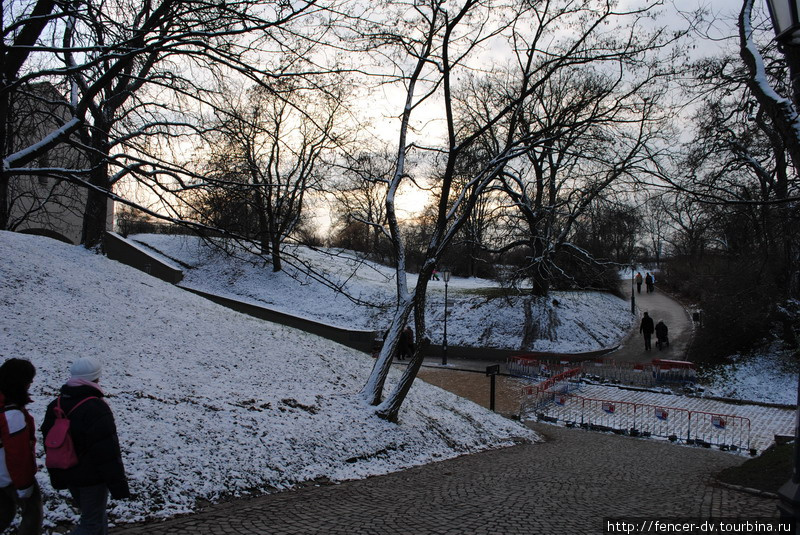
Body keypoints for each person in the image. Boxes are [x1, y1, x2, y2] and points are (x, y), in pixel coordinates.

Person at [41, 357, 130, 535]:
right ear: (97, 378)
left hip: (66, 469)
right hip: (91, 475)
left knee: (96, 518)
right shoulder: (95, 407)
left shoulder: (56, 404)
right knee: (91, 523)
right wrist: (118, 484)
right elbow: (107, 449)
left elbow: (49, 441)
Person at [0, 358, 42, 535]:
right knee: (33, 516)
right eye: (29, 381)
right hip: (10, 476)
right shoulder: (12, 415)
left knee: (4, 514)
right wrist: (25, 485)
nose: (31, 384)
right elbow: (18, 453)